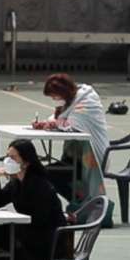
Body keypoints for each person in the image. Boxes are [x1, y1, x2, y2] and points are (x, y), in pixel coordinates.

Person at [32, 73, 109, 204]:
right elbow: (61, 119)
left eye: (55, 96)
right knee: (44, 173)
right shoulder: (72, 100)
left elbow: (71, 125)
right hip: (75, 156)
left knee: (49, 174)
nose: (54, 99)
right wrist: (47, 123)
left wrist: (53, 123)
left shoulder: (87, 102)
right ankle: (78, 201)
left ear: (64, 92)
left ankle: (81, 202)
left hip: (92, 157)